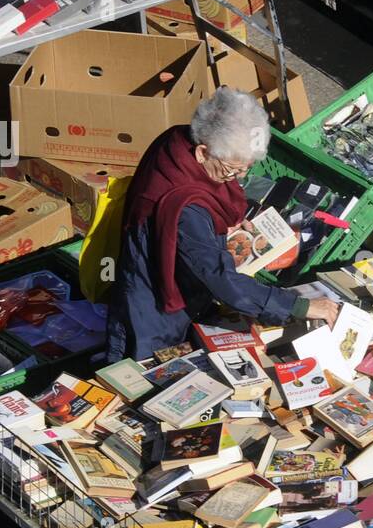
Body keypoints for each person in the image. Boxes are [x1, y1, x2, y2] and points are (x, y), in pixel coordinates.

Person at [105, 88, 339, 362]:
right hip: (153, 311)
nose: (236, 178)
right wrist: (299, 306)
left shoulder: (176, 142)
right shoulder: (188, 210)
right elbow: (220, 278)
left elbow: (206, 204)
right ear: (203, 152)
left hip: (164, 284)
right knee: (144, 374)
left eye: (245, 170)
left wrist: (220, 224)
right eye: (231, 170)